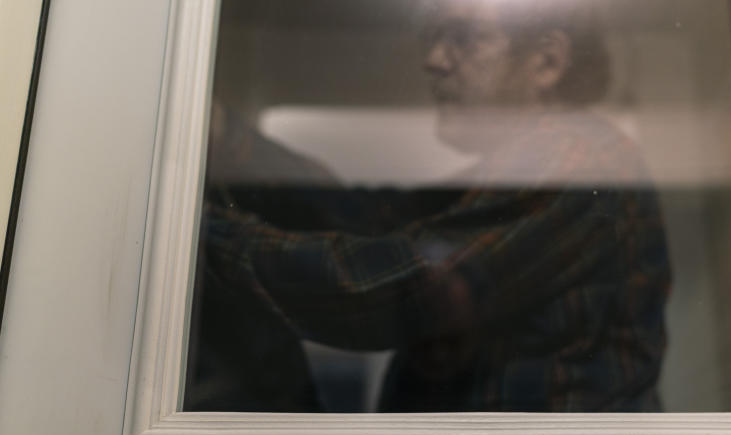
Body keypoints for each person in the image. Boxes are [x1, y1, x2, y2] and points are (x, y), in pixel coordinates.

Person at [195, 0, 671, 412]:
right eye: (434, 38)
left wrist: (192, 233)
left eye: (463, 38)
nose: (433, 60)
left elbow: (388, 289)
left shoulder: (573, 157)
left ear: (546, 61)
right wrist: (227, 139)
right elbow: (371, 219)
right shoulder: (518, 170)